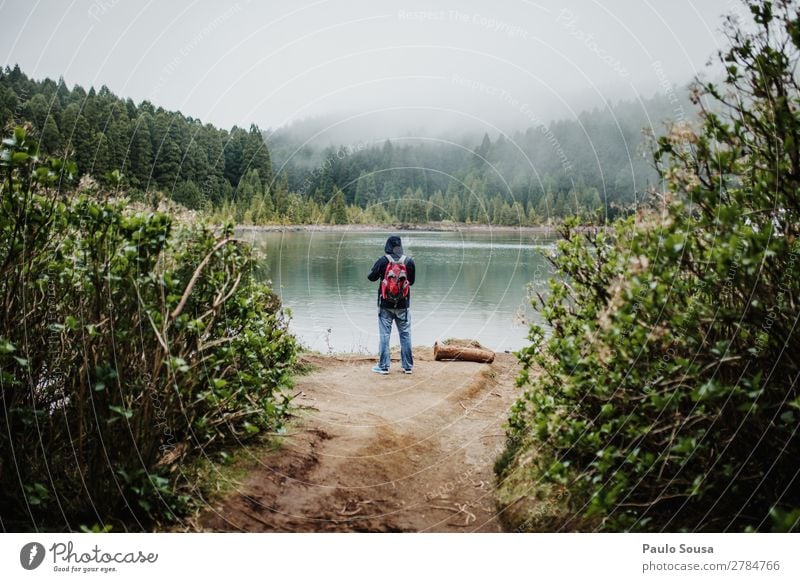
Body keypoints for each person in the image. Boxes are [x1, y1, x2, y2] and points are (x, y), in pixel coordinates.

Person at [367, 235, 416, 374]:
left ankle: (383, 367)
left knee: (384, 335)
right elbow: (411, 281)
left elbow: (371, 278)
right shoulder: (409, 261)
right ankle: (407, 367)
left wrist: (379, 269)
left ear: (387, 246)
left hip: (385, 306)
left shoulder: (383, 261)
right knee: (405, 335)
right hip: (403, 306)